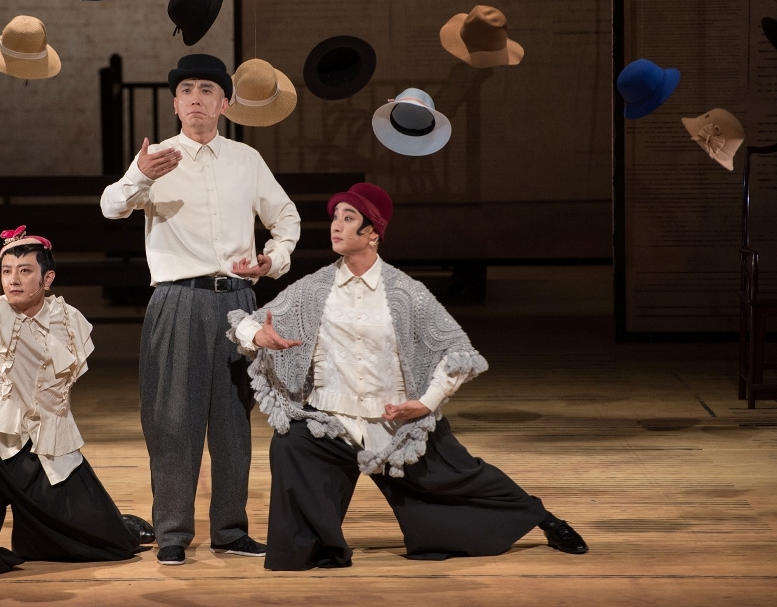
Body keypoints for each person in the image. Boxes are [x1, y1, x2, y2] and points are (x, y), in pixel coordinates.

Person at [227, 183, 588, 570]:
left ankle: (544, 519)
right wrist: (258, 336)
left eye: (348, 218)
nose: (336, 225)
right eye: (335, 217)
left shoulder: (404, 293)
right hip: (332, 423)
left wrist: (426, 403)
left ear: (372, 233)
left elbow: (457, 352)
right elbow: (246, 324)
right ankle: (317, 545)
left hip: (396, 423)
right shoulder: (314, 289)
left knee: (463, 476)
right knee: (291, 445)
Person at [100, 54, 301, 565]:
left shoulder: (245, 159)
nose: (196, 98)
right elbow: (111, 207)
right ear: (174, 104)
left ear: (224, 104)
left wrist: (272, 260)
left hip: (238, 301)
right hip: (177, 299)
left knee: (233, 420)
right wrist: (139, 176)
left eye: (207, 90)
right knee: (172, 418)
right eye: (186, 90)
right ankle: (171, 532)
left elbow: (286, 218)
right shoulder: (155, 158)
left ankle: (230, 530)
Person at [0, 202, 154, 581]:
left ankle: (119, 523)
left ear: (47, 278)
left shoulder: (70, 320)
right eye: (7, 271)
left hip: (46, 448)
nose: (13, 280)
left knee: (110, 544)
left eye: (24, 271)